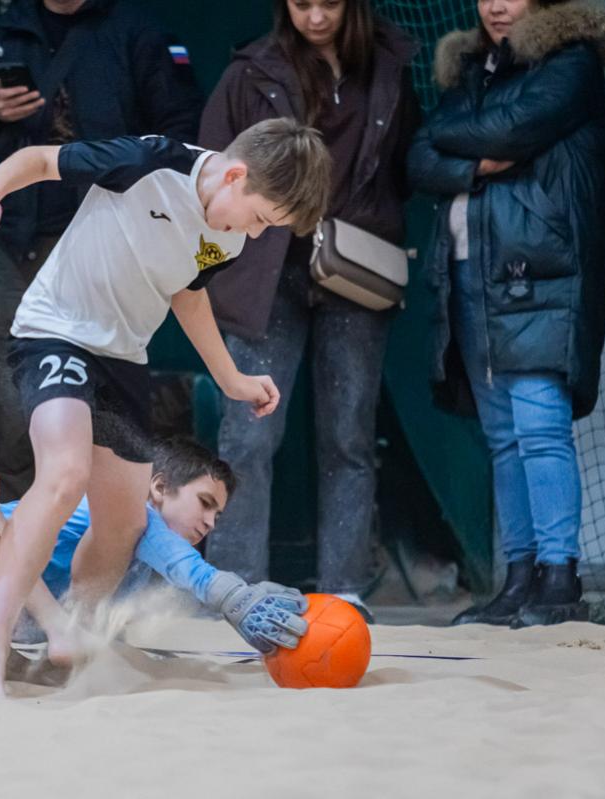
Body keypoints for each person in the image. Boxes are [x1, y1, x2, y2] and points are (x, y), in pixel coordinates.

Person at [0, 119, 332, 696]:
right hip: (56, 332)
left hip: (125, 355)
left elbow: (187, 293)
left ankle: (73, 630)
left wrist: (230, 378)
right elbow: (39, 160)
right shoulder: (146, 161)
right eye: (260, 218)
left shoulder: (227, 237)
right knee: (65, 475)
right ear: (235, 175)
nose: (255, 234)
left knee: (125, 522)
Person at [198, 0, 422, 622]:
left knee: (349, 435)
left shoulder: (389, 65)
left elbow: (405, 165)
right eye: (301, 3)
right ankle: (237, 590)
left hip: (356, 267)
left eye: (328, 2)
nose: (316, 16)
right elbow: (210, 166)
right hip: (265, 273)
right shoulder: (250, 71)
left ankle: (344, 590)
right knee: (248, 433)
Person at [407, 0, 605, 627]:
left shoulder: (571, 61)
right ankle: (519, 578)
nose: (496, 4)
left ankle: (559, 579)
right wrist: (477, 158)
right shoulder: (474, 67)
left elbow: (511, 129)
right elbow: (418, 157)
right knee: (502, 437)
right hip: (470, 272)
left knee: (540, 428)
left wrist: (459, 139)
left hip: (541, 271)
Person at [0, 438, 309, 683]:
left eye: (218, 515)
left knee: (7, 666)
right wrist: (233, 595)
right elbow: (184, 565)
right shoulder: (117, 513)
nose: (210, 522)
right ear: (158, 486)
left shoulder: (141, 568)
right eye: (205, 502)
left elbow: (166, 574)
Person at [0, 0, 205, 498]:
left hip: (106, 246)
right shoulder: (6, 27)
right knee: (11, 402)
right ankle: (11, 526)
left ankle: (86, 532)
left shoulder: (137, 29)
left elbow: (182, 137)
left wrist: (140, 213)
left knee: (99, 403)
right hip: (20, 243)